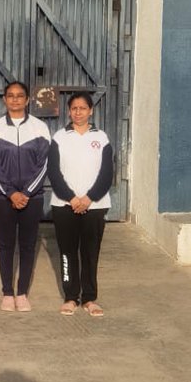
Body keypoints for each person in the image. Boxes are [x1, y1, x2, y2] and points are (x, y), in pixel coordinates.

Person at [0, 81, 51, 312]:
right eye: (10, 96)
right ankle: (7, 292)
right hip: (3, 198)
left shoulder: (40, 128)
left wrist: (27, 192)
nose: (15, 99)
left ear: (27, 100)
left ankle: (22, 293)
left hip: (32, 199)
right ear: (4, 99)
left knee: (27, 245)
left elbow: (44, 165)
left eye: (20, 96)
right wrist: (11, 193)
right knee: (5, 245)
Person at [47, 90, 113, 317]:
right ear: (69, 111)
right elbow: (54, 173)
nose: (78, 112)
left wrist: (88, 199)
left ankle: (90, 298)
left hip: (94, 206)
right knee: (67, 253)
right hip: (64, 205)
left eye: (82, 108)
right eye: (74, 108)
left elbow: (106, 175)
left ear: (91, 110)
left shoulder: (101, 138)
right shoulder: (59, 138)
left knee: (90, 253)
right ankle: (70, 296)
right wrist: (72, 199)